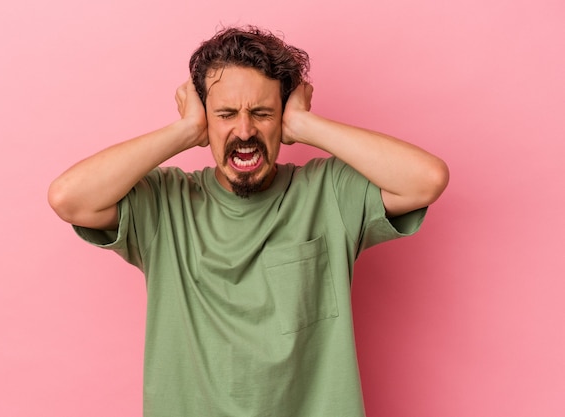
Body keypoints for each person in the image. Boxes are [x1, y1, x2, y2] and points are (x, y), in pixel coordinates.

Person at [48, 25, 449, 417]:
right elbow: (70, 199)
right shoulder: (164, 204)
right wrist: (185, 129)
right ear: (206, 119)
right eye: (225, 114)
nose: (244, 130)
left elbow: (425, 180)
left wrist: (307, 126)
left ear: (283, 117)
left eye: (262, 113)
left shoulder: (328, 193)